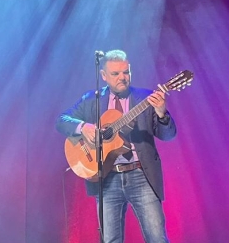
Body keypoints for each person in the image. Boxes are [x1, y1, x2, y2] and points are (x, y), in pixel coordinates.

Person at [55, 50, 176, 243]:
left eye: (126, 72)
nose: (122, 77)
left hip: (141, 176)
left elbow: (168, 135)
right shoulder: (90, 100)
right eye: (115, 74)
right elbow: (61, 120)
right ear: (103, 76)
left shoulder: (146, 98)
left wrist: (161, 112)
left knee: (157, 238)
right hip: (107, 178)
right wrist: (83, 126)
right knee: (110, 239)